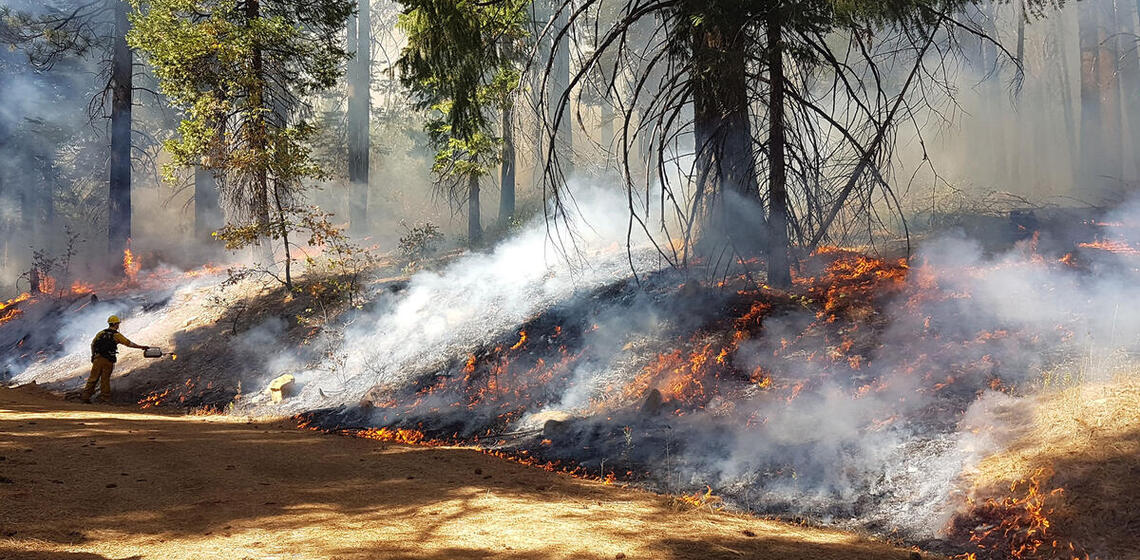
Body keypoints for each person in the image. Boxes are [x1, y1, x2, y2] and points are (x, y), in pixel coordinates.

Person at [80, 315, 151, 404]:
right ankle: (104, 399)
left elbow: (93, 344)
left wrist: (93, 356)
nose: (118, 325)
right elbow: (128, 343)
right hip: (108, 360)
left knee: (93, 378)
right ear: (115, 324)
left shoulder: (101, 333)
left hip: (97, 358)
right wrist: (141, 347)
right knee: (105, 379)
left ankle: (85, 397)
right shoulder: (116, 335)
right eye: (117, 324)